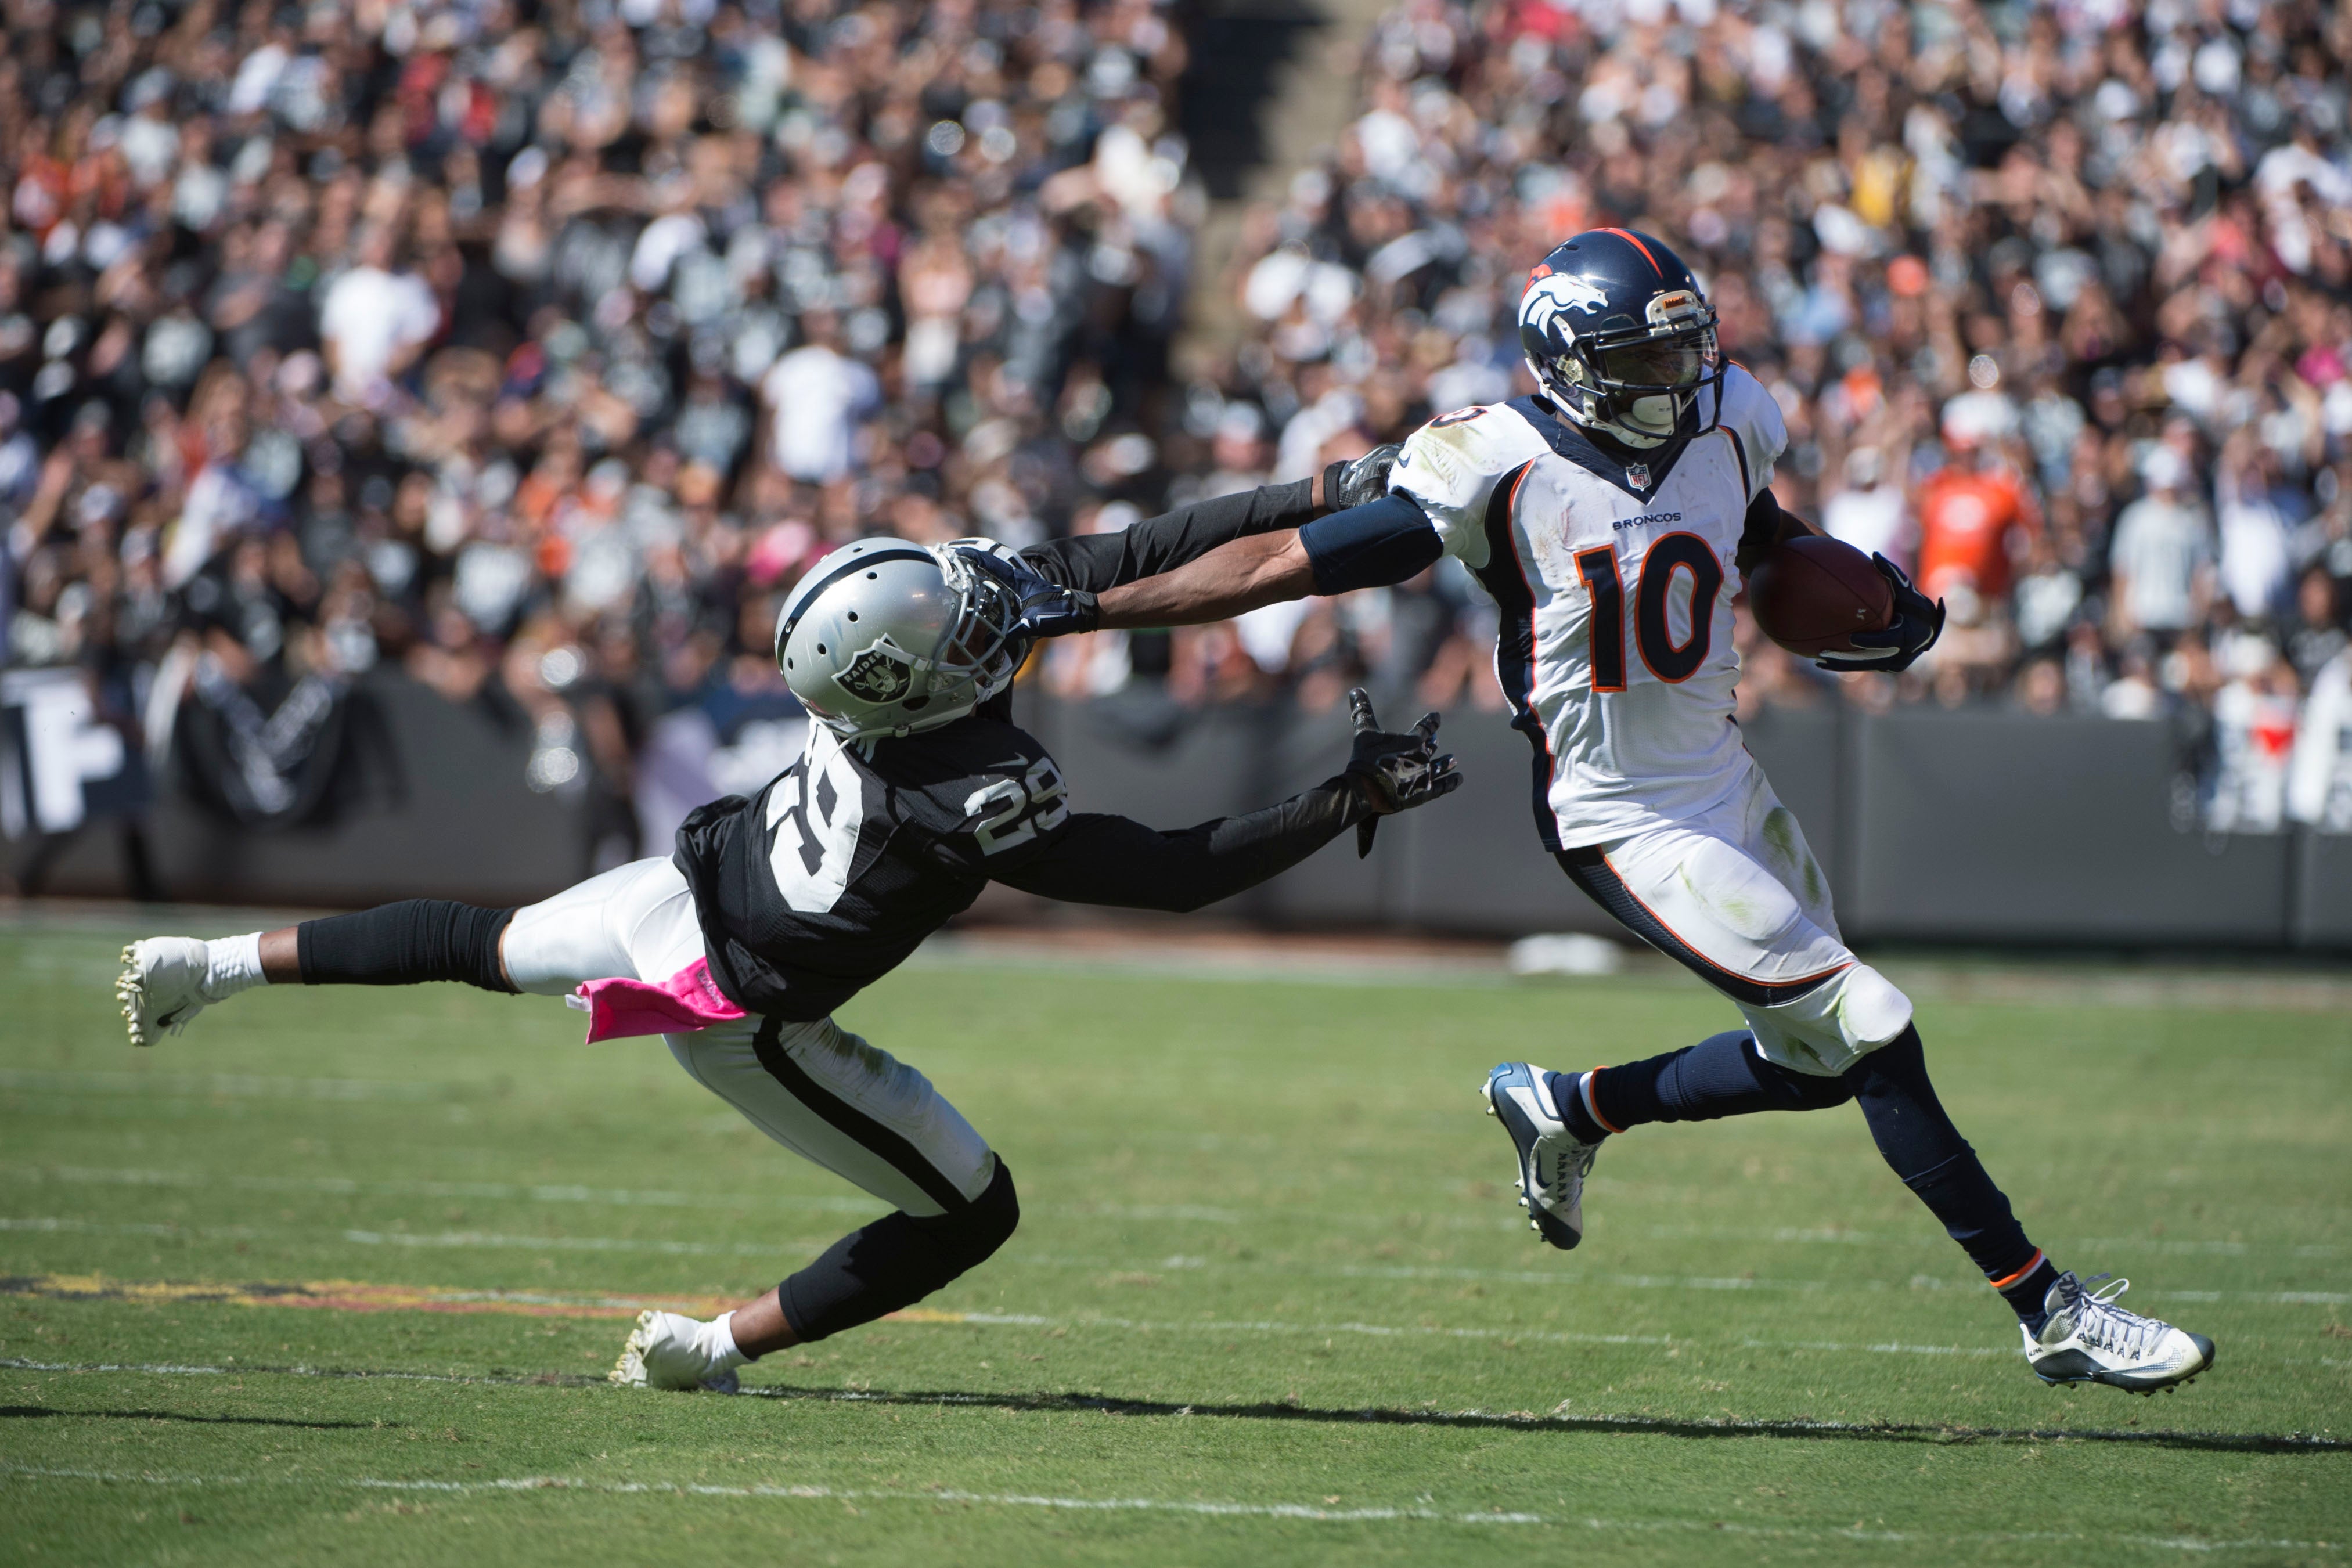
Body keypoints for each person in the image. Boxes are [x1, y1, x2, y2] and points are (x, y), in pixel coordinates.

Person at [979, 228, 2216, 1396]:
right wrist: (1092, 609)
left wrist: (1853, 599)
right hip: (1618, 812)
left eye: (1686, 354)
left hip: (1719, 777)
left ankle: (1571, 1107)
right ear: (1570, 367)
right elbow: (1280, 564)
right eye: (1645, 361)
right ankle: (2046, 1310)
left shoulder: (1731, 414)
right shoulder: (1491, 462)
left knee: (1816, 1062)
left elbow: (1757, 536)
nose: (1676, 381)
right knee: (1869, 1022)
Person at [113, 473, 1459, 1394]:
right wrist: (1340, 796)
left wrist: (1321, 488)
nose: (983, 611)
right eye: (954, 620)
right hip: (747, 1015)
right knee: (973, 1213)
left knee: (482, 939)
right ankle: (713, 1344)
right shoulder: (962, 786)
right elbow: (1166, 875)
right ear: (904, 672)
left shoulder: (896, 690)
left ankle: (214, 965)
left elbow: (1130, 552)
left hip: (670, 896)